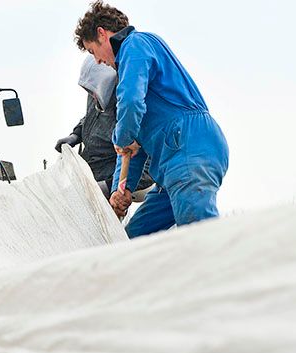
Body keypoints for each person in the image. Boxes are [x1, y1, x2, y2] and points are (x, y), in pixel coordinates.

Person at [75, 2, 229, 238]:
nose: (97, 61)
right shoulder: (137, 89)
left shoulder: (136, 45)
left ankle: (228, 272)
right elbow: (132, 149)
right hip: (170, 167)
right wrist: (121, 189)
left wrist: (120, 138)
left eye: (93, 52)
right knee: (132, 239)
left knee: (201, 235)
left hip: (189, 148)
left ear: (101, 34)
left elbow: (130, 105)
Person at [55, 56, 154, 199]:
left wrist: (110, 187)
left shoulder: (129, 113)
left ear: (106, 84)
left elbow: (148, 168)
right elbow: (89, 117)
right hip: (88, 170)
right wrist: (75, 135)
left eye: (93, 91)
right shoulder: (97, 94)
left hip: (110, 180)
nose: (91, 95)